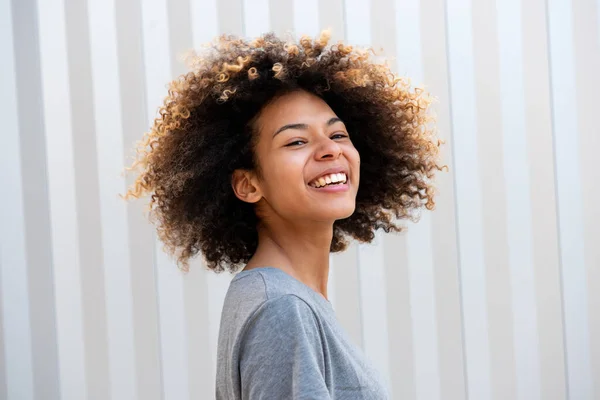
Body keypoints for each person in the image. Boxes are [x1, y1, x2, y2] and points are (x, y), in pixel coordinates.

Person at [123, 29, 444, 399]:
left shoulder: (287, 300)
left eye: (338, 135)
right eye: (296, 141)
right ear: (248, 184)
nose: (329, 151)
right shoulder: (282, 309)